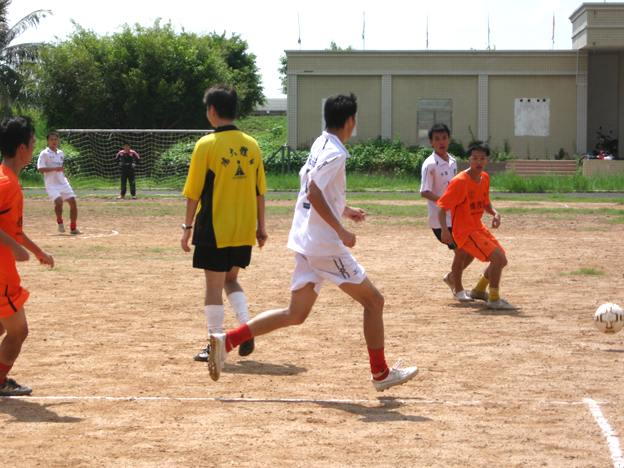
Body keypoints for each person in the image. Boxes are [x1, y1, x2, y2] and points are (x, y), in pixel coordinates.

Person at [207, 93, 419, 392]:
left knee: (295, 314)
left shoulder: (321, 143)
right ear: (350, 120)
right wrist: (341, 230)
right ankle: (381, 373)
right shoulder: (336, 152)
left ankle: (226, 341)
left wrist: (344, 208)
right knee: (374, 302)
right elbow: (314, 192)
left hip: (305, 239)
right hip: (323, 244)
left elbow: (310, 183)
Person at [181, 84, 267, 363]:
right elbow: (260, 190)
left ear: (212, 111)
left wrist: (187, 228)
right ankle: (245, 328)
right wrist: (261, 226)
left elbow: (193, 193)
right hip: (243, 227)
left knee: (213, 286)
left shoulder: (206, 144)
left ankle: (216, 342)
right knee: (231, 280)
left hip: (215, 228)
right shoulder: (252, 144)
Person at [0, 116, 55, 396]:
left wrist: (37, 251)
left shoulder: (8, 179)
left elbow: (13, 229)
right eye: (33, 143)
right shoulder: (6, 183)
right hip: (2, 274)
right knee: (18, 331)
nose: (34, 148)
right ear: (21, 148)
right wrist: (15, 248)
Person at [436, 141, 515, 310]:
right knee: (497, 257)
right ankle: (494, 299)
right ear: (469, 160)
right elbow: (441, 206)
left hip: (477, 227)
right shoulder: (460, 181)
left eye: (482, 158)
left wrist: (495, 213)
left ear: (487, 160)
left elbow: (485, 202)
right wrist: (444, 229)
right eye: (475, 158)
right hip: (465, 231)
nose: (479, 162)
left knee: (502, 260)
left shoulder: (484, 178)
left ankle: (479, 291)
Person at [420, 123, 476, 302]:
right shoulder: (430, 164)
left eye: (444, 138)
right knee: (461, 253)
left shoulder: (452, 161)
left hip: (457, 217)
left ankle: (452, 277)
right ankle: (458, 290)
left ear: (449, 139)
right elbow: (424, 191)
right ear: (431, 142)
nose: (441, 142)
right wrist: (445, 201)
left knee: (472, 252)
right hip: (440, 220)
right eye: (437, 139)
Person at [37, 132, 81, 234]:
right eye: (51, 139)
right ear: (47, 141)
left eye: (55, 139)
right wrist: (55, 169)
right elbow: (40, 168)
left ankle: (73, 228)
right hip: (51, 183)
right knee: (59, 201)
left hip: (62, 182)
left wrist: (64, 177)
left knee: (73, 201)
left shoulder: (61, 153)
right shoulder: (44, 153)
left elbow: (59, 169)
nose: (54, 141)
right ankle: (59, 221)